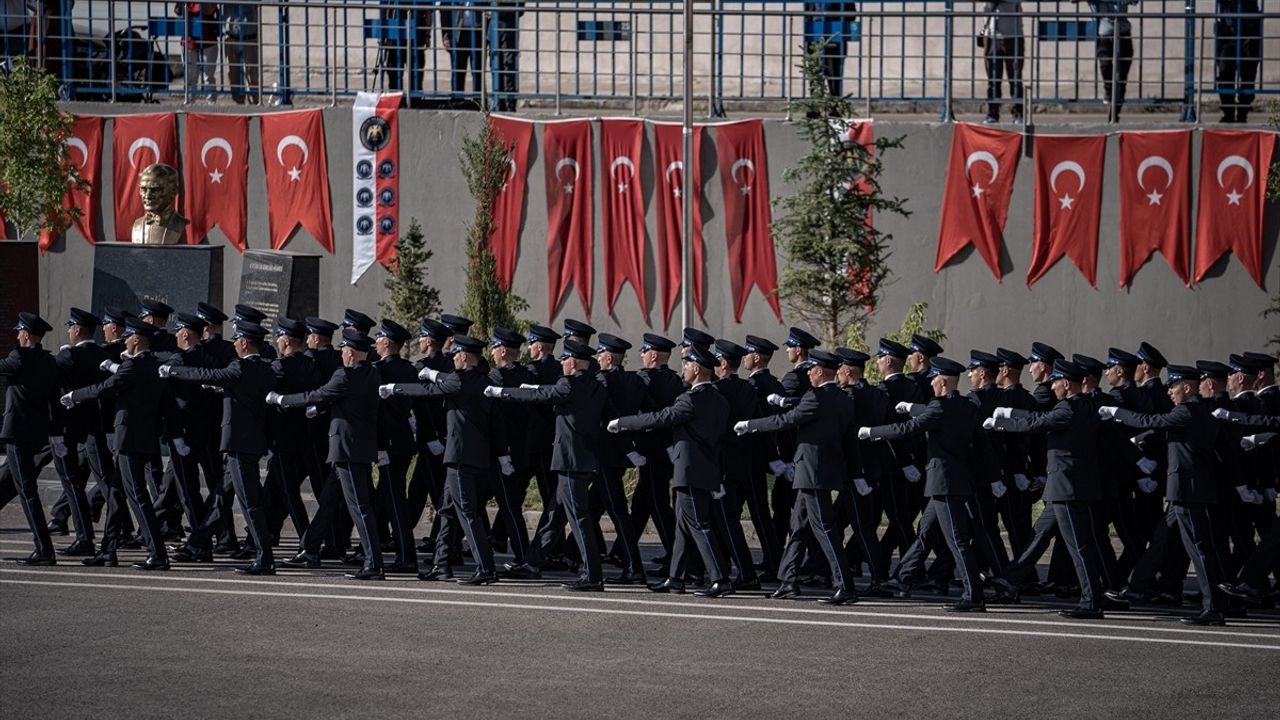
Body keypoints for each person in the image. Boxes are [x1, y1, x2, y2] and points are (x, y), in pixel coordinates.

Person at [1099, 365, 1231, 626]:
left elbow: (1153, 421)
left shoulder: (1186, 411)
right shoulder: (1200, 411)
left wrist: (1117, 413)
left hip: (1187, 491)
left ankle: (1214, 607)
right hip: (1185, 490)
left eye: (1173, 387)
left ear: (1187, 388)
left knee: (1198, 549)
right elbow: (1162, 430)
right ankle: (1137, 586)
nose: (1169, 392)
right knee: (1161, 539)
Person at [987, 360, 1108, 619]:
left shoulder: (1067, 408)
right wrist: (1010, 413)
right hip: (1067, 487)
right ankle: (1011, 580)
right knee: (1039, 535)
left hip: (1067, 488)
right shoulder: (1085, 405)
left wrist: (1002, 422)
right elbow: (1039, 417)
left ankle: (1091, 601)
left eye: (1056, 382)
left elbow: (1037, 423)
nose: (1052, 386)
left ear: (1067, 384)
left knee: (1079, 546)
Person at [613, 344, 735, 598]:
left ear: (698, 369)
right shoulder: (720, 400)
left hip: (690, 470)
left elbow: (660, 418)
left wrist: (623, 423)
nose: (683, 370)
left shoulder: (690, 399)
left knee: (699, 526)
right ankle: (675, 577)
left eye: (687, 366)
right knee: (682, 527)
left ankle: (720, 577)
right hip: (706, 468)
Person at [865, 357, 987, 612]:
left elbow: (908, 428)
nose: (931, 383)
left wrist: (872, 432)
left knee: (956, 539)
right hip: (955, 479)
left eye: (934, 379)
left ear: (942, 381)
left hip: (944, 482)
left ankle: (973, 594)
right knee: (924, 534)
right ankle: (902, 578)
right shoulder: (967, 406)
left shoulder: (939, 407)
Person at [739, 348, 858, 605]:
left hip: (813, 472)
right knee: (798, 528)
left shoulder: (815, 398)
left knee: (823, 529)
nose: (808, 375)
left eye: (811, 371)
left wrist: (750, 426)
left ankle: (844, 584)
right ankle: (788, 579)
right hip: (817, 471)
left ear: (818, 371)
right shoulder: (841, 398)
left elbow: (787, 420)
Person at [64, 318, 184, 571]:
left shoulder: (134, 366)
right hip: (142, 438)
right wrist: (176, 436)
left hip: (129, 438)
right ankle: (108, 550)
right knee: (117, 494)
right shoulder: (154, 365)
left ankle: (157, 553)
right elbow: (168, 405)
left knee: (137, 496)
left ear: (136, 339)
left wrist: (74, 396)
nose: (124, 341)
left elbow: (105, 388)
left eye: (127, 337)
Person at [490, 339, 609, 591]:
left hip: (570, 462)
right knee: (554, 515)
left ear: (573, 362)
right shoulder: (595, 386)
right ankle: (533, 562)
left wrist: (503, 392)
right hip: (583, 461)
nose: (561, 364)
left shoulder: (568, 384)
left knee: (578, 518)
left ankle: (593, 576)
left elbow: (541, 394)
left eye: (565, 360)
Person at [163, 320, 279, 575]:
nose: (234, 344)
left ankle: (265, 557)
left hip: (239, 444)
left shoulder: (239, 368)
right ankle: (197, 543)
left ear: (245, 343)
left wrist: (172, 371)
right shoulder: (265, 369)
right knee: (220, 498)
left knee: (249, 503)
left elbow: (207, 375)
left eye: (237, 340)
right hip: (252, 442)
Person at [385, 334, 497, 585]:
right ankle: (441, 563)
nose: (453, 359)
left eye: (456, 355)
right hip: (469, 455)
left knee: (467, 513)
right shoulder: (480, 380)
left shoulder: (461, 380)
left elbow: (429, 390)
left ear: (465, 357)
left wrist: (395, 388)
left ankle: (486, 567)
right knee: (447, 511)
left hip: (461, 456)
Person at [276, 329, 385, 581]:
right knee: (327, 501)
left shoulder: (344, 375)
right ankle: (310, 548)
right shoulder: (372, 374)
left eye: (344, 350)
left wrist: (282, 399)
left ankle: (374, 563)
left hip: (347, 450)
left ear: (349, 352)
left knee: (359, 506)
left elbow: (317, 395)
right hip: (354, 449)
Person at [1, 313, 60, 565]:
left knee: (26, 490)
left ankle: (44, 549)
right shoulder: (48, 361)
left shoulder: (19, 357)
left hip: (18, 433)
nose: (16, 336)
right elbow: (54, 399)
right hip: (37, 433)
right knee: (7, 481)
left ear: (26, 334)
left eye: (19, 332)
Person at [1073, 0, 1136, 122]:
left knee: (1122, 77)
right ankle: (1108, 89)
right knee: (1105, 66)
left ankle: (1114, 115)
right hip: (1104, 35)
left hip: (1123, 34)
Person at [1215, 0, 1262, 123]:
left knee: (1248, 74)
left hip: (1249, 31)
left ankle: (1242, 114)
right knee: (1225, 73)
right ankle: (1229, 113)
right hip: (1228, 32)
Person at [980, 1, 1024, 124]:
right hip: (992, 36)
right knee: (993, 79)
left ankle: (1018, 113)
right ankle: (993, 113)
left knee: (1015, 78)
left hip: (1014, 34)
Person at [803, 1, 857, 98]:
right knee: (815, 70)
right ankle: (816, 104)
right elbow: (807, 13)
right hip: (816, 33)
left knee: (834, 72)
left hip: (835, 33)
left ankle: (834, 105)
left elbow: (851, 13)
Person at [378, 0, 434, 95]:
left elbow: (428, 11)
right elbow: (384, 11)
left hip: (416, 35)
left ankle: (415, 98)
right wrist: (383, 35)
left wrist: (427, 34)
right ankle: (396, 98)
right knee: (394, 71)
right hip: (394, 36)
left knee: (416, 71)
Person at [176, 2, 220, 103]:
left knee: (208, 76)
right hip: (189, 40)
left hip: (208, 40)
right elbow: (178, 11)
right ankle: (190, 102)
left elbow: (208, 11)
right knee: (190, 76)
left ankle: (211, 104)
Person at [221, 2, 260, 104]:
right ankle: (239, 104)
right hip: (231, 36)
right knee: (233, 74)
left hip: (249, 36)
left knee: (251, 73)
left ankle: (254, 104)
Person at [489, 0, 524, 111]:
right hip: (493, 29)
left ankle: (510, 104)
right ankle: (498, 103)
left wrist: (497, 10)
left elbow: (520, 9)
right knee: (495, 66)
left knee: (508, 67)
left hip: (508, 28)